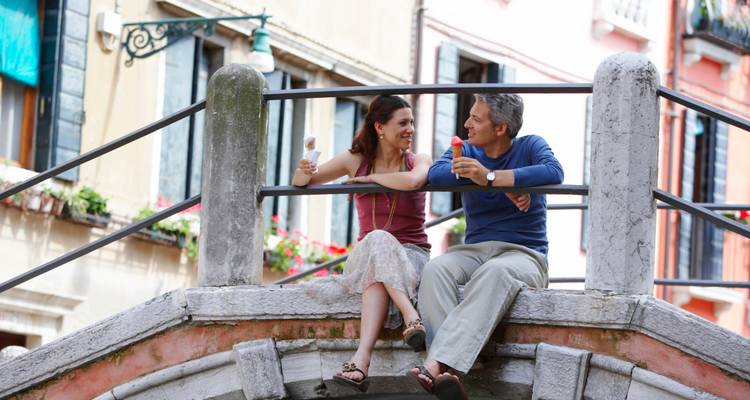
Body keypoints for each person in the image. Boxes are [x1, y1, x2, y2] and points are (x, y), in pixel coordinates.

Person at [408, 93, 563, 400]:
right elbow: (437, 174)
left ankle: (437, 363)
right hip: (474, 251)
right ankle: (459, 362)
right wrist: (479, 175)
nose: (467, 124)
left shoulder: (531, 146)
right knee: (436, 269)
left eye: (476, 119)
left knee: (495, 272)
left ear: (501, 127)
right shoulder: (464, 150)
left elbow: (554, 172)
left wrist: (493, 177)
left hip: (524, 254)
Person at [292, 95, 432, 392]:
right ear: (380, 127)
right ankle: (411, 316)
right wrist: (305, 167)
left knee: (377, 256)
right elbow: (303, 182)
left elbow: (415, 181)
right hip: (369, 254)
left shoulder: (418, 161)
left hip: (412, 258)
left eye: (412, 123)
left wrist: (370, 181)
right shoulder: (354, 161)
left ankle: (361, 359)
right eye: (403, 123)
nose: (411, 129)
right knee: (377, 241)